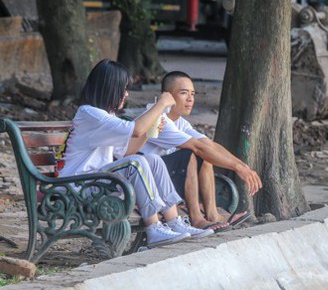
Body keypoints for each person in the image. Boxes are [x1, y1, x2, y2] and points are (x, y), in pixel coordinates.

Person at [56, 60, 214, 250]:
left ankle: (173, 221)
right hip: (76, 188)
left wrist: (149, 131)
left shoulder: (104, 116)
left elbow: (127, 149)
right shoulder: (90, 113)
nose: (127, 94)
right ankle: (153, 227)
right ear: (109, 88)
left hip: (94, 183)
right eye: (123, 88)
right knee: (135, 163)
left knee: (153, 160)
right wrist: (161, 104)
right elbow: (136, 130)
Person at [139, 71, 263, 230]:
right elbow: (198, 147)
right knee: (193, 153)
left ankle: (213, 216)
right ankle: (196, 219)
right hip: (147, 180)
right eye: (184, 93)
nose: (190, 99)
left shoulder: (180, 122)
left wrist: (242, 166)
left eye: (192, 94)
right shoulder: (159, 118)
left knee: (205, 155)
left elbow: (209, 145)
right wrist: (237, 168)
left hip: (164, 177)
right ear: (167, 96)